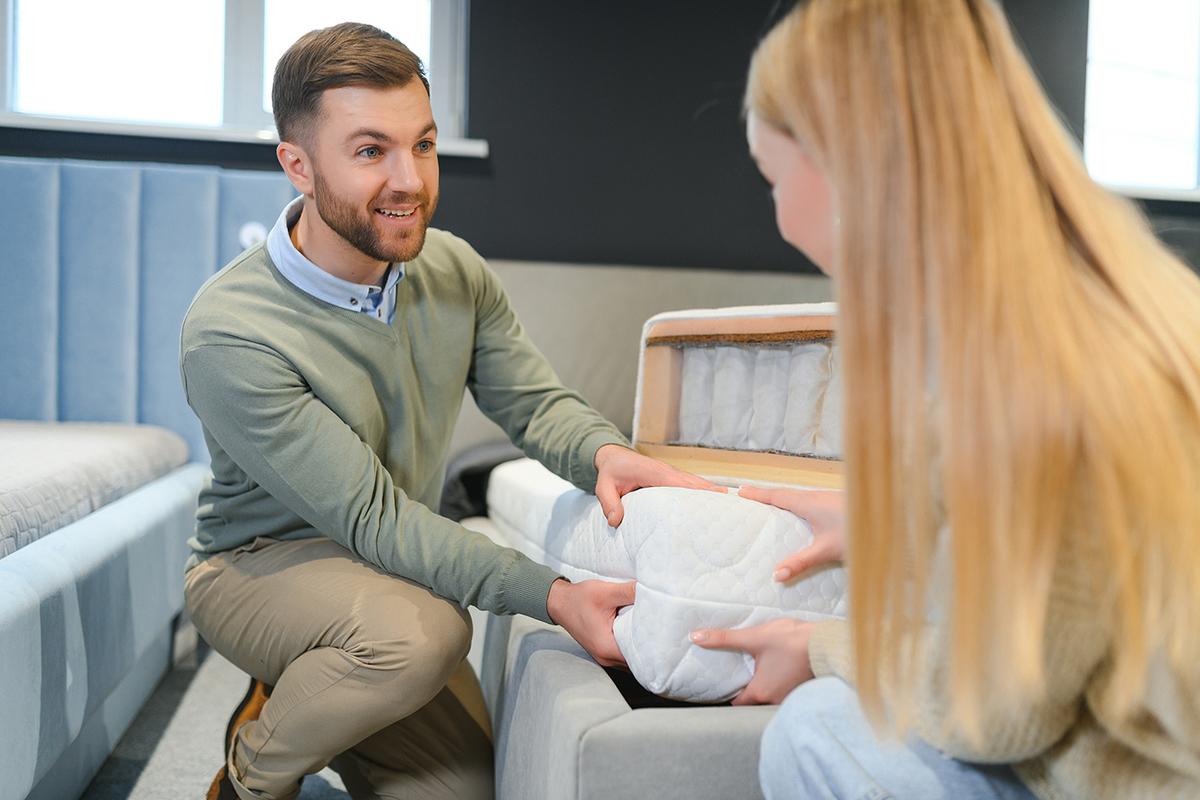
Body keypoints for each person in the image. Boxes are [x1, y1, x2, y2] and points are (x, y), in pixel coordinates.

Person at [181, 22, 713, 800]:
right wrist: (555, 595)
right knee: (423, 637)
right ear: (297, 165)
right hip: (258, 564)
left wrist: (604, 453)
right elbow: (374, 519)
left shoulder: (452, 268)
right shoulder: (231, 332)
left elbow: (531, 403)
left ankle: (308, 692)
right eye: (371, 151)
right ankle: (251, 769)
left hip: (385, 578)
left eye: (422, 145)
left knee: (462, 791)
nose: (411, 180)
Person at [692, 1, 1200, 798]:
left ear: (845, 163)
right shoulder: (1133, 301)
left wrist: (826, 645)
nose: (779, 215)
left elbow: (991, 714)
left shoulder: (1025, 380)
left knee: (812, 730)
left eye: (772, 178)